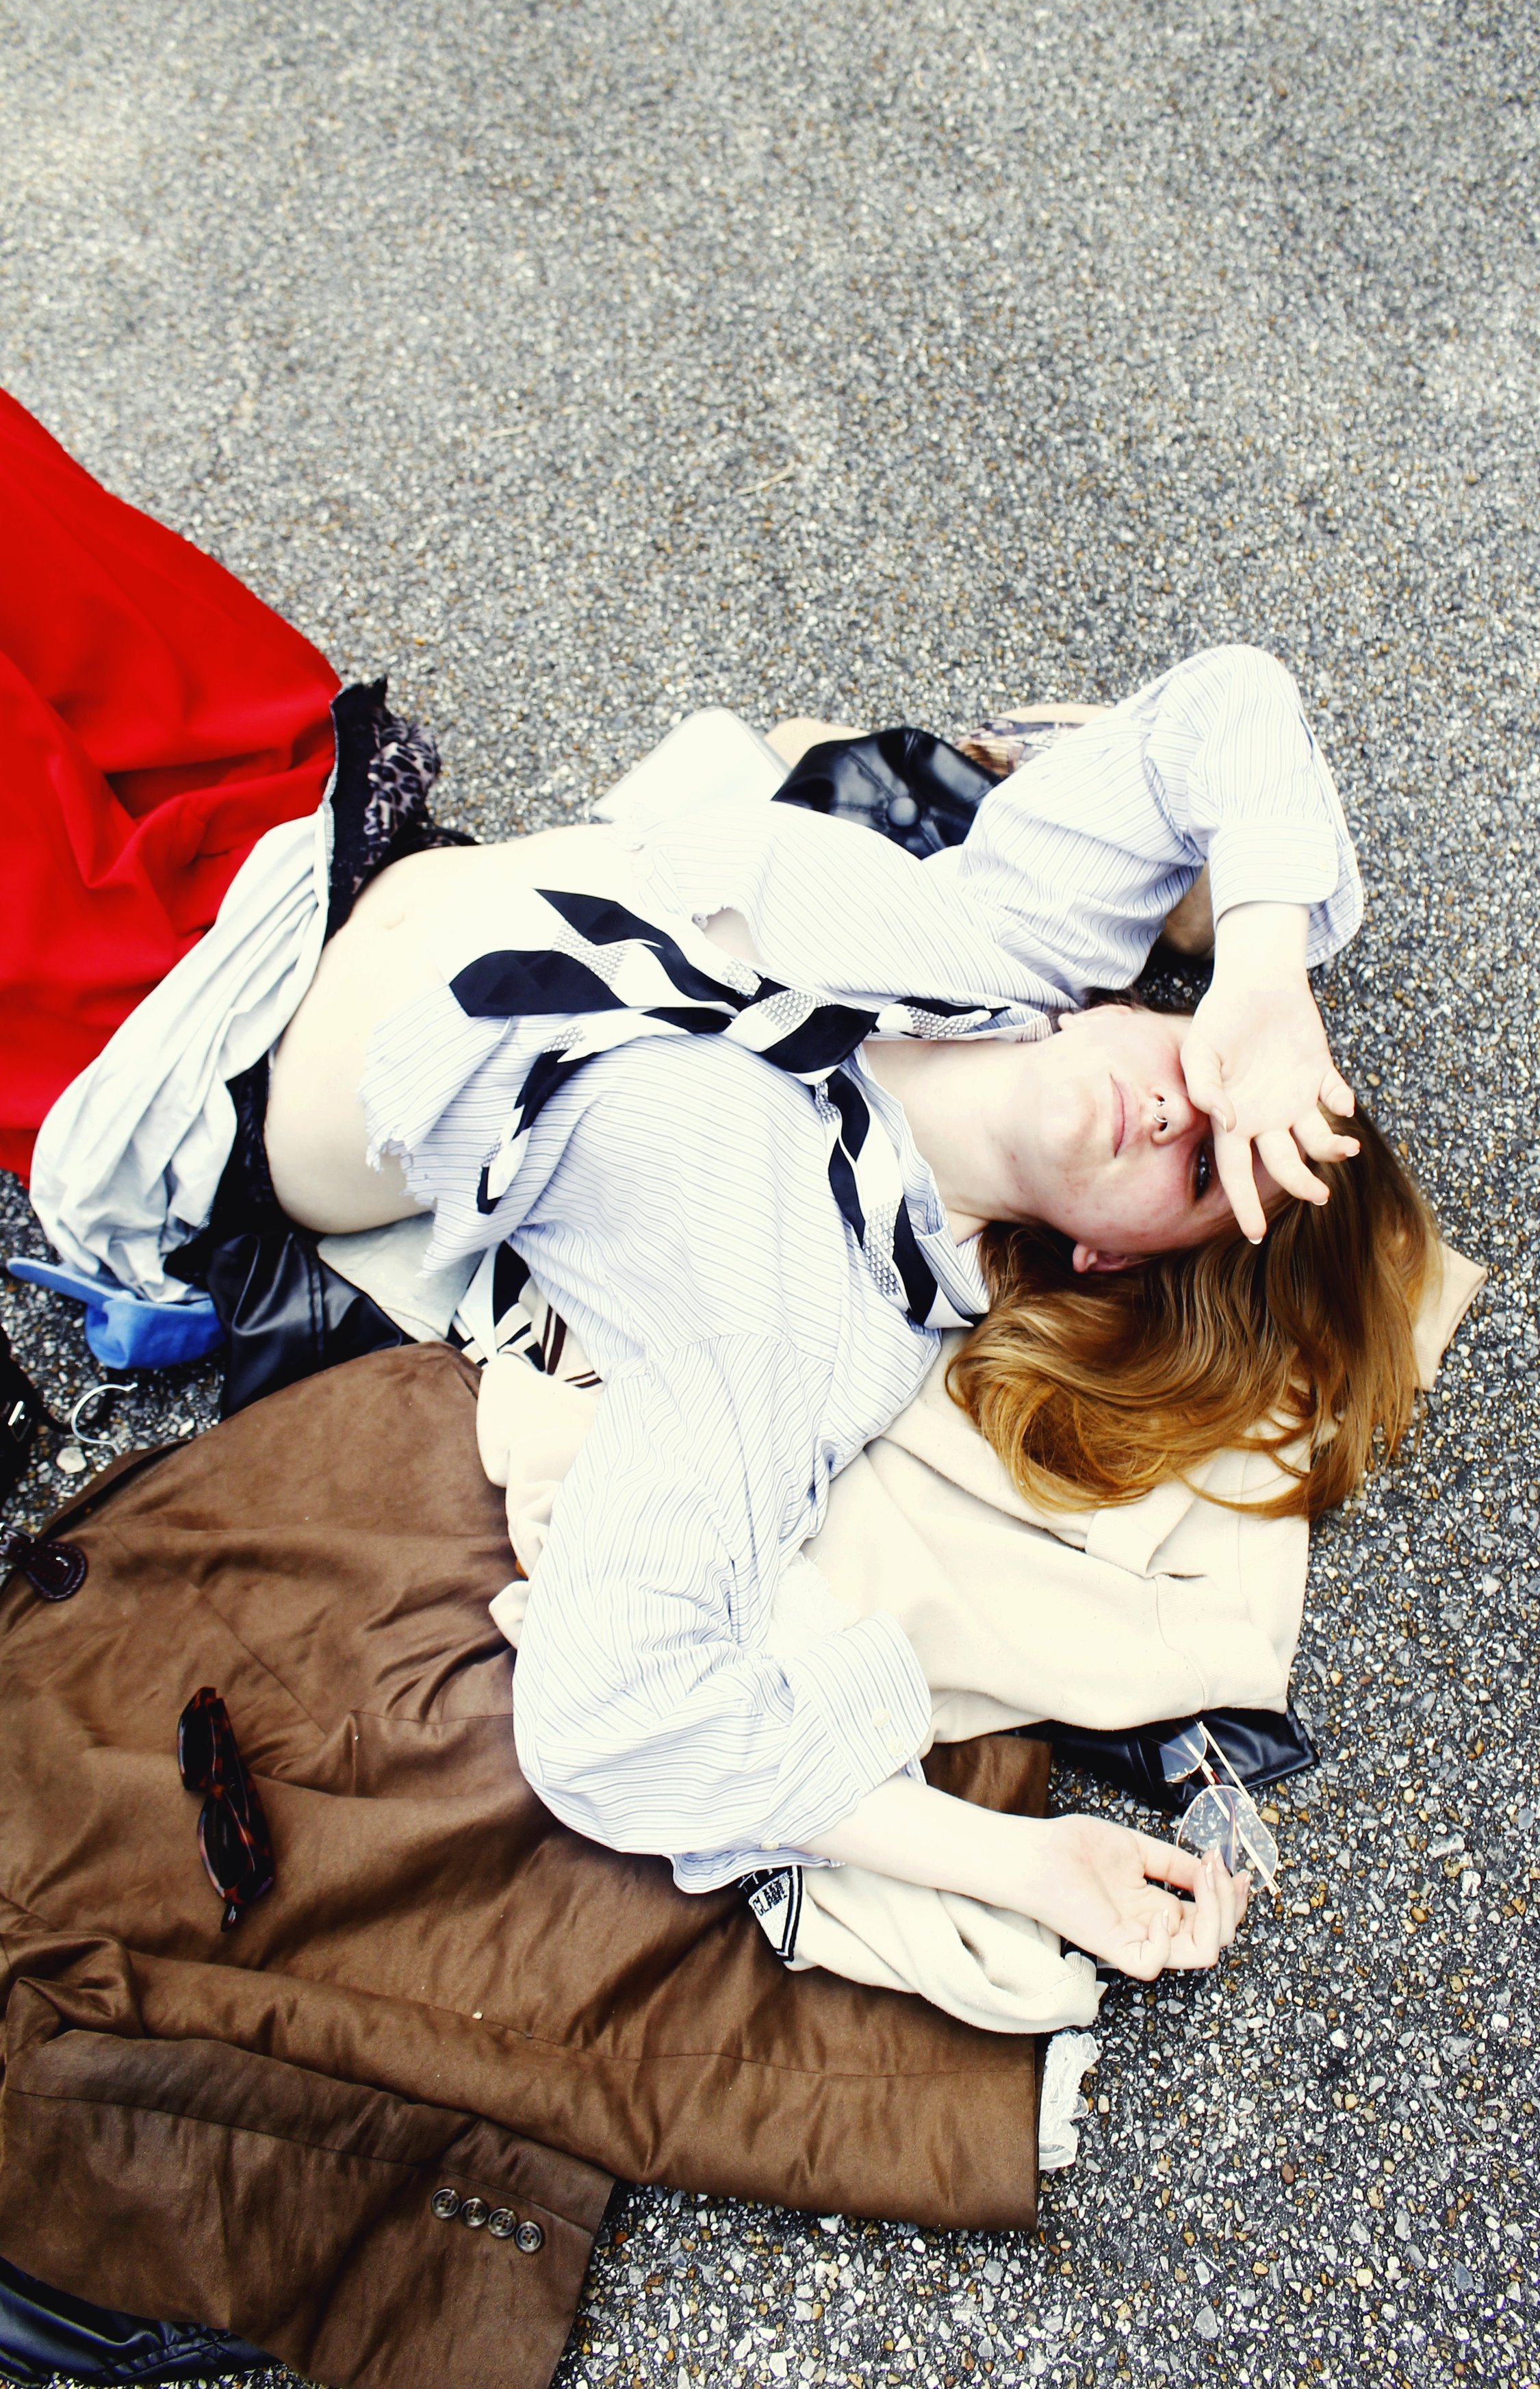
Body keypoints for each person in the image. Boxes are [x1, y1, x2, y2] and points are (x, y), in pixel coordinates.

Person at [262, 645, 1440, 1986]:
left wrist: (1019, 1861)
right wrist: (1262, 978)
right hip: (379, 821)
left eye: (1197, 1172)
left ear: (1113, 1262)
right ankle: (1191, 904)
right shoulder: (1019, 956)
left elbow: (606, 1716)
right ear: (1132, 1015)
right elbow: (1224, 699)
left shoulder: (802, 1310)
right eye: (1207, 1078)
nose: (1180, 1112)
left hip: (268, 1025)